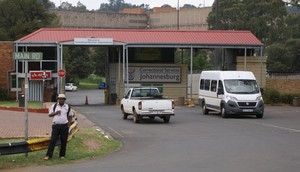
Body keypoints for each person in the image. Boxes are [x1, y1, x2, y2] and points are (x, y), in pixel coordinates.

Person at [44, 94, 72, 160]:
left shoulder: (67, 107)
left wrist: (69, 124)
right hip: (56, 126)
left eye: (62, 99)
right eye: (59, 99)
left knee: (64, 141)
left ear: (64, 100)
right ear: (58, 99)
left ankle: (62, 155)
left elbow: (70, 116)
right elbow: (50, 115)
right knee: (53, 141)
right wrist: (56, 113)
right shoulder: (54, 106)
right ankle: (48, 155)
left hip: (64, 126)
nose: (61, 100)